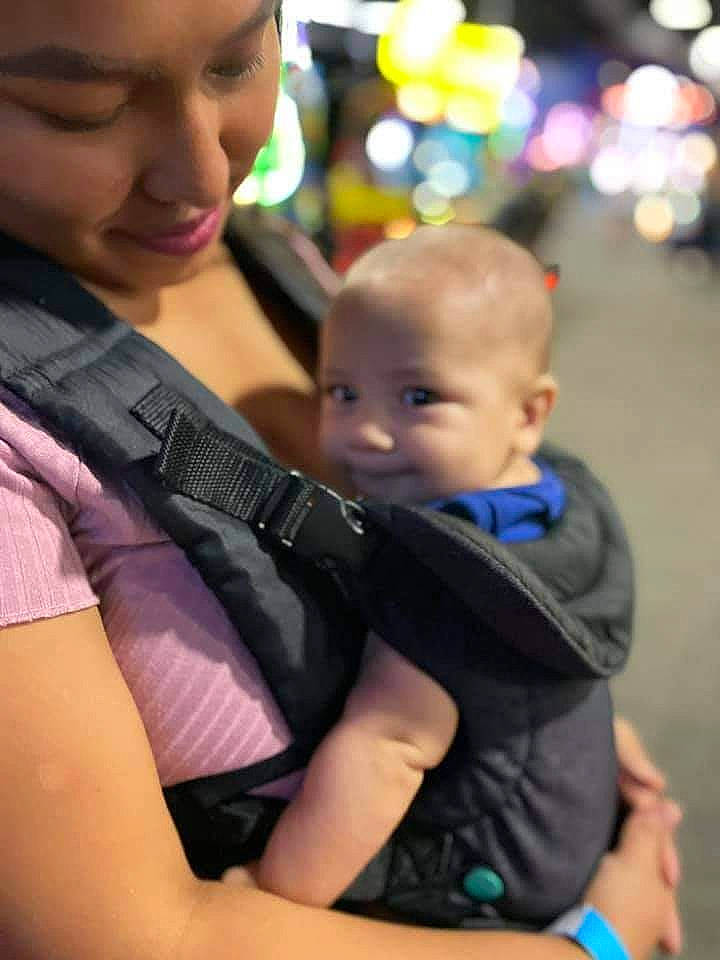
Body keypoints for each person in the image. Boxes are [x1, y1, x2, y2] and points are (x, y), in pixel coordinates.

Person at [0, 2, 682, 959]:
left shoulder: (263, 253)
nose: (203, 175)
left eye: (236, 65)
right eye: (80, 108)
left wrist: (543, 706)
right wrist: (594, 948)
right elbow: (125, 936)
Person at [252, 224, 622, 917]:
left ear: (529, 413)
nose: (366, 431)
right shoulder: (557, 504)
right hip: (567, 818)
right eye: (341, 392)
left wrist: (278, 897)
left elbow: (387, 746)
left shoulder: (446, 573)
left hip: (486, 872)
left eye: (419, 398)